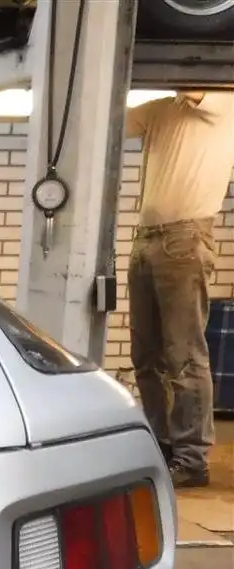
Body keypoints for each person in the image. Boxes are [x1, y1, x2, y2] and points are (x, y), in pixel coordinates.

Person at [125, 91, 234, 488]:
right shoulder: (161, 111)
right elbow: (112, 119)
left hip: (184, 240)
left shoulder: (223, 103)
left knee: (184, 355)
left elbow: (193, 81)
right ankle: (161, 445)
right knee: (146, 355)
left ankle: (192, 458)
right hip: (146, 239)